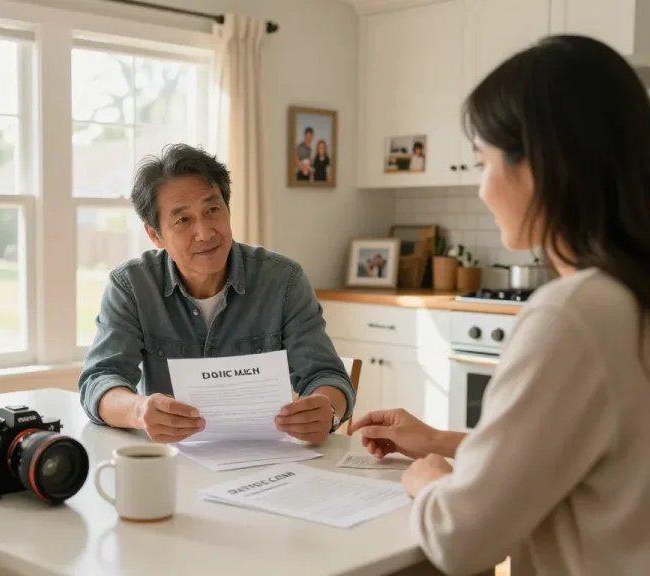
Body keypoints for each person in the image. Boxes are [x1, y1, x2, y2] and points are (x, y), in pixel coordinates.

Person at [350, 35, 650, 575]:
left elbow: (462, 539)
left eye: (483, 162)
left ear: (537, 165)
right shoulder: (630, 294)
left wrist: (430, 480)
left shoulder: (576, 313)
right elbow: (586, 455)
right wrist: (439, 440)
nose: (481, 189)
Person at [78, 143, 354, 445]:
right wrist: (138, 411)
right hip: (171, 460)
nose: (206, 232)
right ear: (155, 235)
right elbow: (100, 380)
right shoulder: (131, 285)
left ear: (228, 209)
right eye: (183, 220)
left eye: (212, 210)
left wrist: (328, 412)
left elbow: (326, 376)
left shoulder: (283, 280)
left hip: (266, 459)